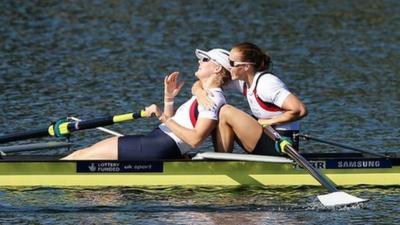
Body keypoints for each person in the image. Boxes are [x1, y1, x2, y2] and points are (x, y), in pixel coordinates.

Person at [62, 48, 231, 160]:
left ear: (217, 69)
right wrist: (169, 98)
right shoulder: (204, 94)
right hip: (156, 142)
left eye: (205, 59)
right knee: (81, 154)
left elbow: (194, 140)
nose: (199, 61)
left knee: (79, 157)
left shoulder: (213, 99)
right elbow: (177, 127)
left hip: (157, 147)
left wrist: (161, 116)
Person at [193, 42, 307, 156]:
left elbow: (300, 110)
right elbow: (205, 82)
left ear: (246, 67)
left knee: (225, 111)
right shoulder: (245, 82)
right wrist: (200, 94)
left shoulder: (267, 84)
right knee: (220, 111)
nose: (228, 67)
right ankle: (221, 159)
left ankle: (222, 164)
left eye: (232, 63)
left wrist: (269, 121)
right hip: (268, 137)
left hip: (282, 144)